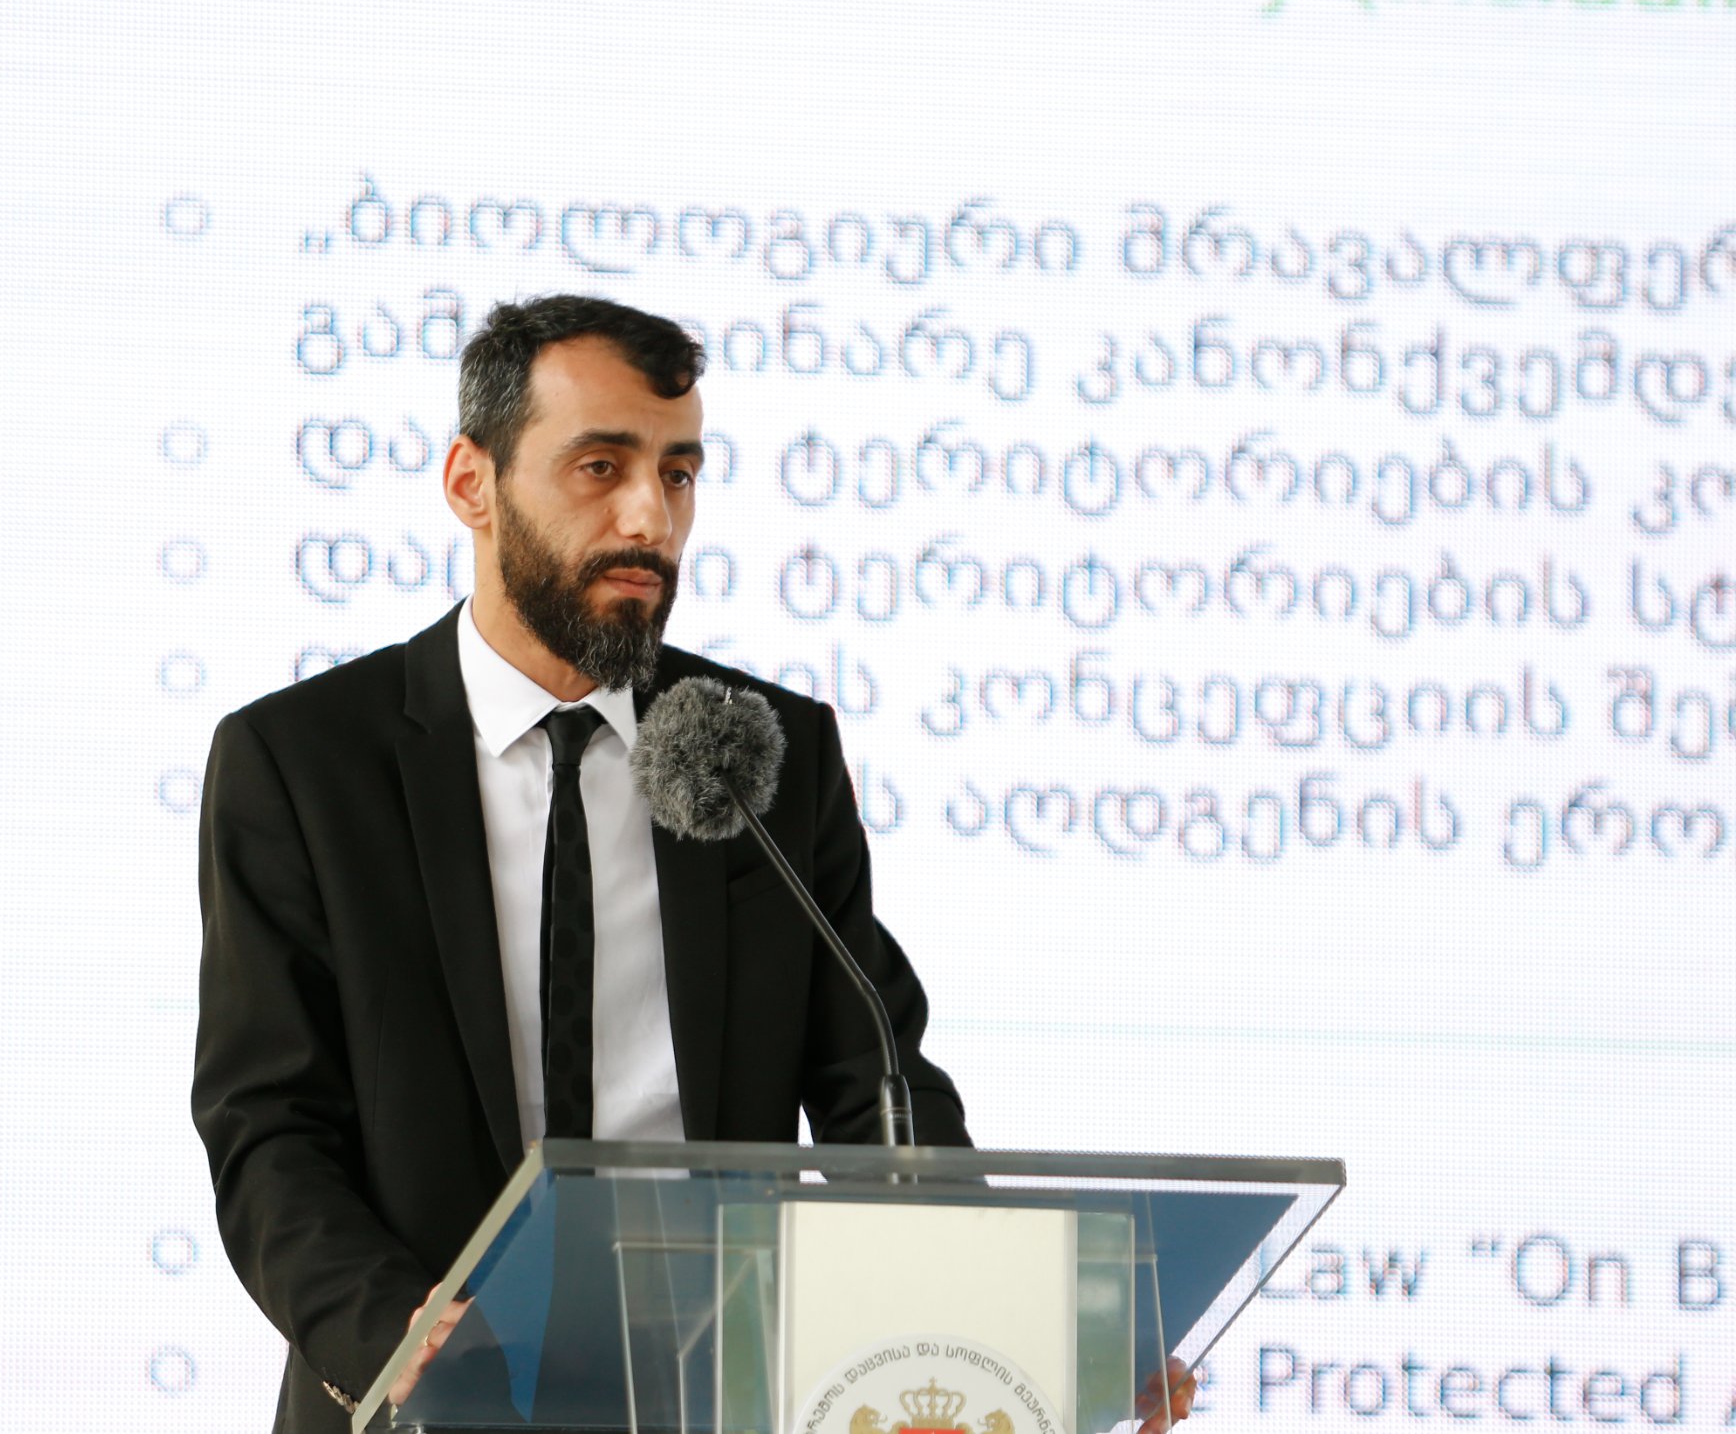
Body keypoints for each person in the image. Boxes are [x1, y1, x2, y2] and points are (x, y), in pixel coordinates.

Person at [192, 295, 1197, 1433]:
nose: (650, 517)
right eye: (601, 467)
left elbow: (874, 1081)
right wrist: (396, 1332)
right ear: (471, 482)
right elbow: (269, 1128)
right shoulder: (302, 762)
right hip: (426, 1399)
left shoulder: (760, 753)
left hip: (715, 1397)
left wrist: (1034, 1312)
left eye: (678, 474)